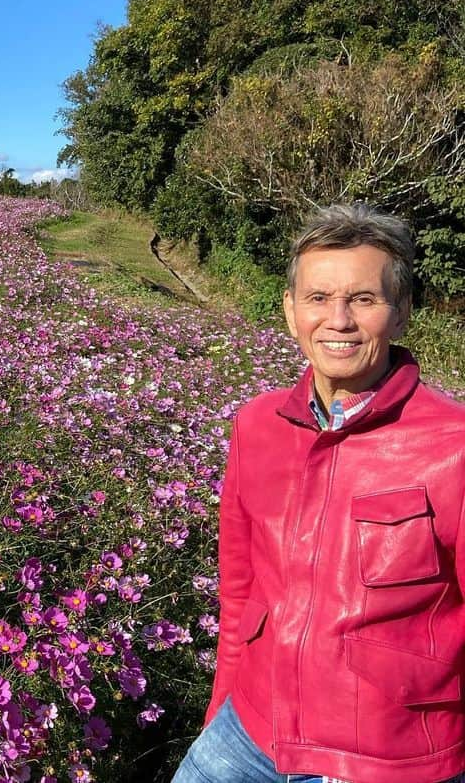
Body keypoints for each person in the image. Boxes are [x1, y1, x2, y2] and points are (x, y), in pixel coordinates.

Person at [173, 203, 465, 783]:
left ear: (402, 313)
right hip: (249, 733)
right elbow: (240, 593)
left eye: (363, 299)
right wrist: (219, 712)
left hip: (387, 760)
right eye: (317, 298)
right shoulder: (256, 426)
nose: (338, 320)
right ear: (289, 312)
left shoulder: (453, 446)